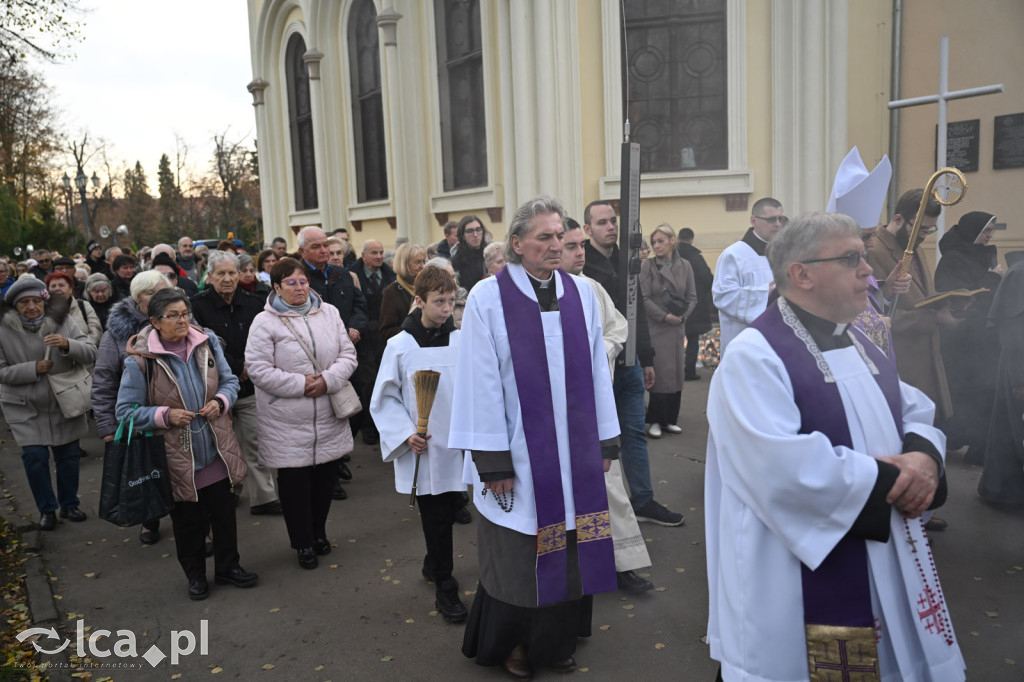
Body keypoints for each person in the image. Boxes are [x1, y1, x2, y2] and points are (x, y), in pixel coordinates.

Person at [705, 211, 964, 682]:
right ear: (800, 274)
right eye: (851, 259)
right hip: (796, 568)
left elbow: (913, 409)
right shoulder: (754, 356)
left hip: (886, 546)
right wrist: (899, 480)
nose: (870, 271)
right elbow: (778, 467)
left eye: (864, 257)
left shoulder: (863, 337)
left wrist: (924, 457)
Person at [451, 196, 620, 677]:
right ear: (518, 244)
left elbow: (594, 371)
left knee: (569, 545)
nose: (555, 245)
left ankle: (556, 639)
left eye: (560, 237)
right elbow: (479, 381)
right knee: (518, 553)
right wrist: (493, 460)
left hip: (573, 452)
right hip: (517, 454)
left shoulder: (581, 294)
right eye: (543, 237)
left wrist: (604, 442)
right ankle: (513, 643)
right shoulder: (488, 297)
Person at [116, 288, 256, 600]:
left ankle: (228, 567)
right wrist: (165, 415)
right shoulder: (140, 361)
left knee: (224, 515)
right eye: (173, 316)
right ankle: (195, 576)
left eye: (185, 314)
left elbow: (231, 381)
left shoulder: (206, 342)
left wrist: (220, 401)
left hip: (217, 447)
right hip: (176, 457)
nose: (183, 321)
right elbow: (125, 413)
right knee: (189, 523)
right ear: (154, 321)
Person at [560, 218, 654, 594]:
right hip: (552, 413)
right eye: (571, 246)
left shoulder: (591, 288)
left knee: (608, 482)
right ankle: (571, 566)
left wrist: (604, 351)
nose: (579, 252)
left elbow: (618, 327)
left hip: (594, 408)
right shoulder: (533, 294)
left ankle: (621, 563)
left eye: (581, 245)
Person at [370, 265, 469, 622]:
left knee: (456, 510)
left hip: (460, 444)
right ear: (418, 301)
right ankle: (445, 586)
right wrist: (404, 433)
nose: (446, 309)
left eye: (451, 301)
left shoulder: (460, 340)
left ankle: (432, 563)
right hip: (425, 446)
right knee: (438, 518)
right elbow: (384, 397)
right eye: (439, 302)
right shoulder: (400, 345)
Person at [246, 258, 358, 569]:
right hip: (286, 418)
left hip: (327, 412)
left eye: (303, 281)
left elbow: (348, 354)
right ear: (277, 287)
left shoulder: (329, 313)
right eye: (291, 283)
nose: (300, 287)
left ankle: (319, 532)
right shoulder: (264, 322)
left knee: (324, 482)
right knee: (295, 487)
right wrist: (300, 384)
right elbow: (258, 369)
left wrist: (327, 380)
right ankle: (303, 543)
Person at [582, 200, 685, 527]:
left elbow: (635, 308)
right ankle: (600, 510)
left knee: (634, 435)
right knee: (601, 443)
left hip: (631, 363)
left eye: (613, 221)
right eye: (602, 222)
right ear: (588, 229)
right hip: (601, 369)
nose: (610, 226)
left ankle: (643, 500)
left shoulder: (627, 261)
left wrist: (646, 357)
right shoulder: (581, 264)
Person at [0, 278, 97, 530]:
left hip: (63, 401)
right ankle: (47, 510)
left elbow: (90, 351)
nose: (31, 307)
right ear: (14, 306)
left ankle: (69, 504)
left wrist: (67, 344)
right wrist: (32, 368)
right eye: (24, 302)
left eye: (35, 301)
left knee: (68, 457)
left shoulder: (63, 321)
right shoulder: (3, 329)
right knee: (35, 457)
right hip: (24, 406)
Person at [191, 251, 281, 516]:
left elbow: (266, 337)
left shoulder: (255, 303)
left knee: (256, 441)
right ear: (209, 276)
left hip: (252, 385)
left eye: (233, 273)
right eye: (221, 273)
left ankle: (264, 497)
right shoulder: (197, 306)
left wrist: (249, 367)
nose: (228, 278)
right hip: (215, 388)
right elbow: (201, 344)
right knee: (223, 445)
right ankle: (230, 490)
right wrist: (235, 366)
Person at [867, 189, 960, 425]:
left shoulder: (913, 246)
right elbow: (873, 313)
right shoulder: (875, 250)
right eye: (921, 229)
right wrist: (933, 318)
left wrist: (948, 300)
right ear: (898, 219)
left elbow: (920, 296)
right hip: (902, 358)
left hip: (926, 355)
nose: (925, 236)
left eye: (930, 229)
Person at [93, 271, 170, 544]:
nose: (158, 298)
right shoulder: (117, 331)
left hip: (176, 415)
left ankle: (195, 526)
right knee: (145, 467)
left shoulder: (183, 320)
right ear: (138, 298)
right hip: (139, 417)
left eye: (162, 291)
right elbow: (104, 379)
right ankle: (149, 519)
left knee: (184, 473)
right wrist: (106, 426)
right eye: (151, 293)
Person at [934, 211, 1002, 462]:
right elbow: (957, 295)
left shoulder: (984, 256)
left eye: (992, 230)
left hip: (983, 337)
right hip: (961, 338)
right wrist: (992, 278)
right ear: (973, 231)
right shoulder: (953, 260)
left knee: (984, 392)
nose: (990, 235)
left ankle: (980, 446)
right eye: (986, 230)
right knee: (964, 391)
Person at [640, 224, 696, 438]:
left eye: (661, 241)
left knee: (676, 374)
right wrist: (664, 316)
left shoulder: (686, 266)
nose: (656, 246)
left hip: (677, 328)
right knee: (660, 373)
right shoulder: (648, 266)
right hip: (657, 327)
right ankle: (655, 419)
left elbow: (692, 297)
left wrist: (682, 317)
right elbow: (643, 298)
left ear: (672, 240)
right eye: (654, 242)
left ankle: (670, 419)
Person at [712, 197, 786, 353]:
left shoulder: (785, 253)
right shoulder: (733, 254)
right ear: (753, 220)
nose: (778, 224)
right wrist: (766, 294)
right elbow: (722, 296)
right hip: (744, 343)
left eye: (781, 218)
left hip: (779, 340)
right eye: (772, 219)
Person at [979, 251, 1024, 506]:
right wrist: (1019, 377)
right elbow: (1014, 329)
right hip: (1019, 365)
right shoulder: (1020, 274)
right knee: (1011, 432)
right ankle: (1003, 493)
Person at [348, 239, 396, 445]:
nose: (379, 256)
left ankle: (383, 425)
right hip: (364, 337)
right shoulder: (352, 275)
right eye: (374, 253)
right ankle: (368, 426)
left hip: (385, 335)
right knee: (367, 382)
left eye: (381, 252)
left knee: (386, 380)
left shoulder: (390, 275)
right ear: (364, 255)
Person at [675, 228, 714, 381]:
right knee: (692, 340)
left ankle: (673, 371)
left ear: (678, 238)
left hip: (674, 304)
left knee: (674, 340)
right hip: (695, 305)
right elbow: (708, 278)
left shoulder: (672, 255)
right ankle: (689, 371)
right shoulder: (696, 257)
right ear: (691, 239)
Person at [379, 243, 426, 341]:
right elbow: (386, 331)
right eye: (417, 262)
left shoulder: (427, 287)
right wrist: (412, 331)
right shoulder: (391, 292)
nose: (422, 266)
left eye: (423, 261)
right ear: (404, 264)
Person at [46, 272, 102, 348]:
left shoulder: (84, 306)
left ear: (70, 289)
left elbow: (96, 332)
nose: (57, 288)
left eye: (61, 285)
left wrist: (79, 348)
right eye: (53, 286)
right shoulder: (43, 310)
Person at [451, 215, 489, 291]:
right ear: (463, 236)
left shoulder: (489, 255)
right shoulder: (456, 261)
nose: (475, 235)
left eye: (478, 230)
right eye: (470, 231)